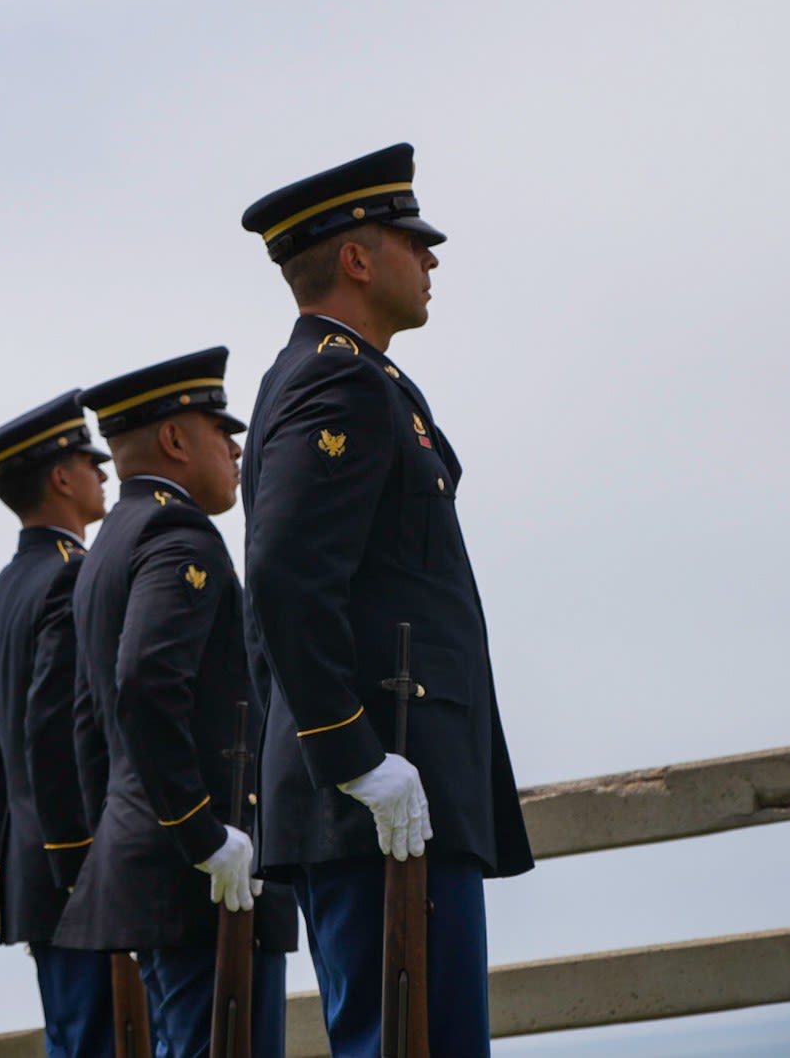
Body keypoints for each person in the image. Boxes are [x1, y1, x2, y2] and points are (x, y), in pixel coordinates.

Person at [237, 144, 533, 1057]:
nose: (431, 258)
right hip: (383, 792)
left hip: (397, 788)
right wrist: (354, 755)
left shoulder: (362, 379)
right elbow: (285, 577)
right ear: (358, 259)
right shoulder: (338, 379)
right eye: (412, 240)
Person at [54, 348, 296, 1058]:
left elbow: (88, 723)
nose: (234, 445)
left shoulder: (107, 544)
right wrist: (202, 834)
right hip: (200, 880)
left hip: (157, 872)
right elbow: (144, 687)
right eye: (219, 428)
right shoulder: (176, 533)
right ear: (174, 439)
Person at [0, 392, 116, 1058]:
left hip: (37, 867)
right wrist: (74, 859)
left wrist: (21, 853)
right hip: (77, 865)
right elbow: (55, 725)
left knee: (72, 1038)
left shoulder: (6, 585)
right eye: (90, 461)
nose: (103, 473)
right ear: (60, 477)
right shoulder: (70, 576)